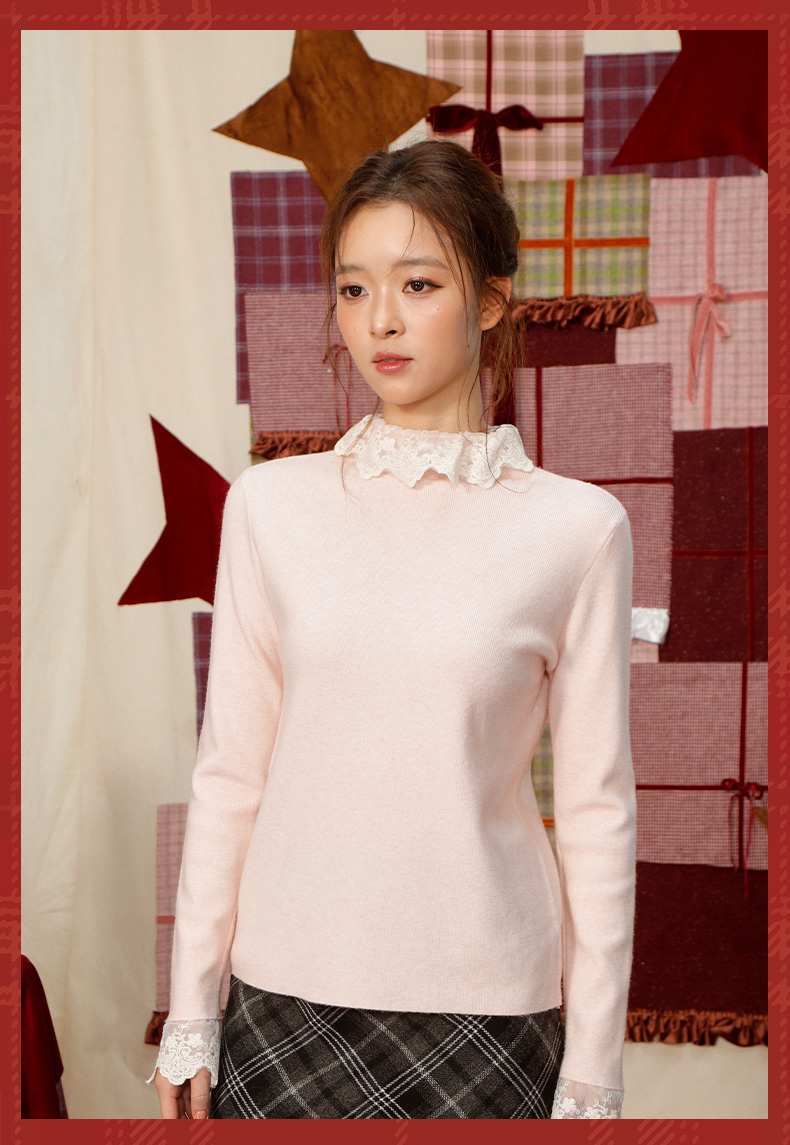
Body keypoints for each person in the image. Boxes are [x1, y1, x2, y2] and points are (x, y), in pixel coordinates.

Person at [146, 139, 637, 1120]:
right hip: (284, 995)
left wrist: (592, 1064)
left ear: (491, 300)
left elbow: (596, 812)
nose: (380, 320)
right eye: (353, 287)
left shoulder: (579, 528)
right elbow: (230, 773)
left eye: (417, 284)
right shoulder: (270, 506)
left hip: (492, 1008)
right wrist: (192, 1008)